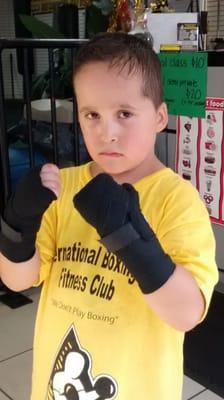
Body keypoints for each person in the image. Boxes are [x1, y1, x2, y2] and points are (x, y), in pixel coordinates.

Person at [0, 33, 218, 400]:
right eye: (92, 114)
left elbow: (187, 313)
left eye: (125, 114)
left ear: (159, 117)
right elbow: (19, 280)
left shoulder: (177, 200)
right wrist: (18, 227)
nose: (107, 132)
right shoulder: (64, 188)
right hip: (58, 386)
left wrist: (129, 236)